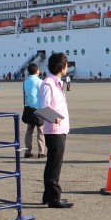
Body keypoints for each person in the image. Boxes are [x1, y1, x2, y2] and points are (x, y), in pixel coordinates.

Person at [39, 53, 72, 208]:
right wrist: (55, 118)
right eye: (66, 64)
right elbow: (43, 108)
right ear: (61, 66)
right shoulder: (48, 84)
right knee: (54, 164)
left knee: (53, 163)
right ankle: (54, 198)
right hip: (54, 129)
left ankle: (48, 195)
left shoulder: (56, 83)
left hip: (59, 129)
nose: (67, 67)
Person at [21, 63, 46, 159]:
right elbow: (43, 95)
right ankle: (41, 152)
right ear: (36, 71)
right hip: (38, 108)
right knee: (41, 131)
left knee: (29, 131)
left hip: (28, 109)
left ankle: (28, 152)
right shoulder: (40, 81)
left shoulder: (25, 82)